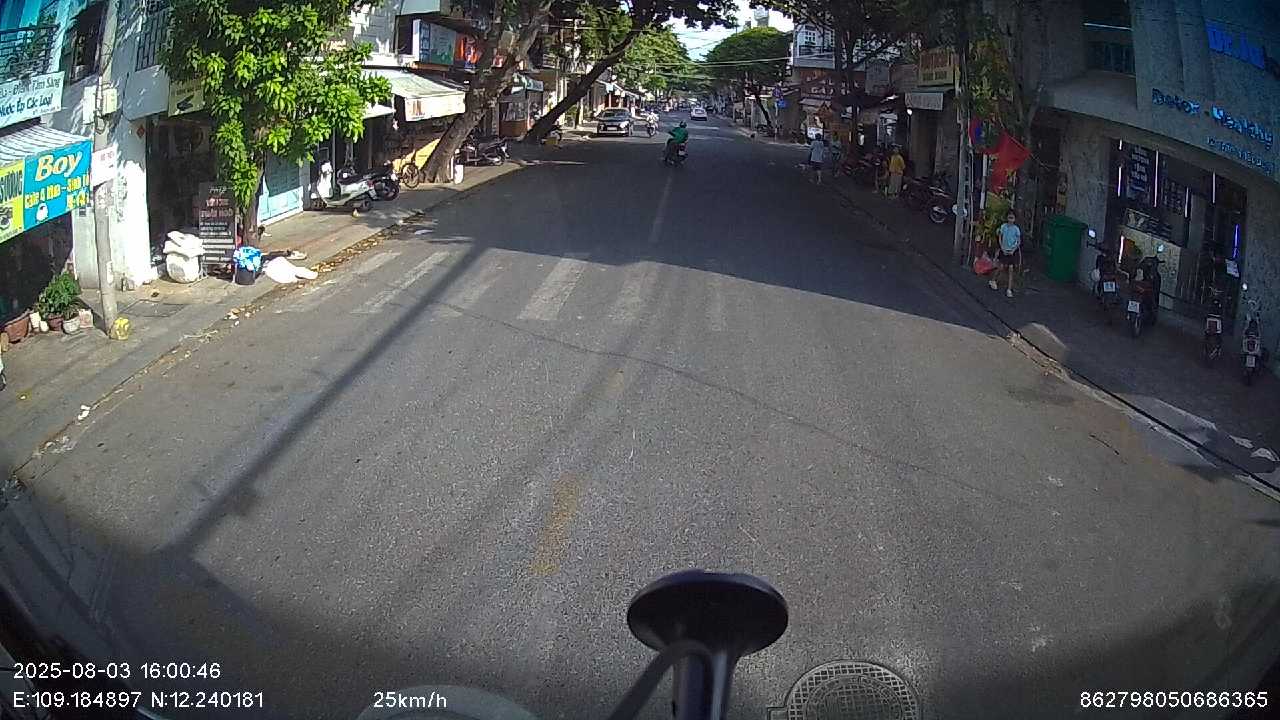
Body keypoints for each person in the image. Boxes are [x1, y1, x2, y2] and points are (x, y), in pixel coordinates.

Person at [990, 211, 1021, 298]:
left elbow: (1018, 241)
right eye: (1009, 218)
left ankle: (1009, 289)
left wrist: (1013, 250)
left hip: (1012, 251)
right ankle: (993, 280)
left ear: (1015, 219)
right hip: (1004, 250)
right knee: (1001, 267)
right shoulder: (1003, 227)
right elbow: (1000, 237)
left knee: (1011, 269)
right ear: (1007, 218)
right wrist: (1002, 247)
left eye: (1012, 218)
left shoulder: (1016, 229)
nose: (1011, 220)